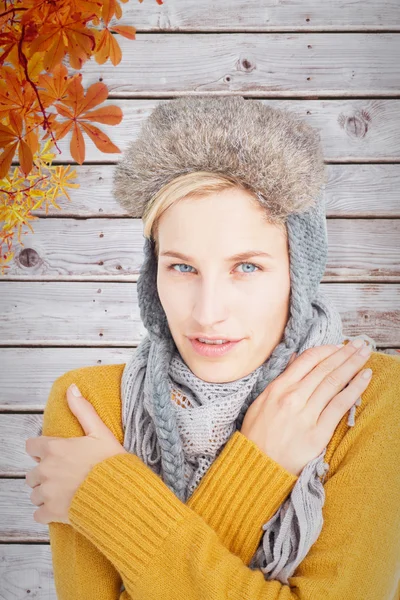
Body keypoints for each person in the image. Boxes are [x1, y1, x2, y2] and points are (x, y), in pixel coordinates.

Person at [33, 97, 400, 599]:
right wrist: (260, 465)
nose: (207, 313)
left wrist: (110, 497)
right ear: (152, 274)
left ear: (299, 274)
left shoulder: (367, 396)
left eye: (247, 267)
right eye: (182, 267)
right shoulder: (89, 404)